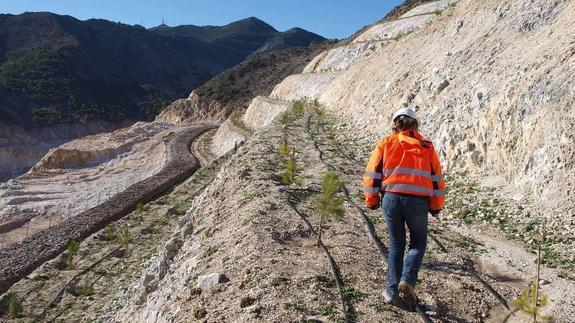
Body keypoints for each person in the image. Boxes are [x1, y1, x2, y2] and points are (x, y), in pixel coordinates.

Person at [362, 107, 445, 305]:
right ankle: (407, 280)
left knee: (396, 244)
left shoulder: (386, 143)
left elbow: (372, 173)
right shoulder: (426, 146)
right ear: (415, 125)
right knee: (418, 242)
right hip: (418, 202)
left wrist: (372, 200)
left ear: (395, 124)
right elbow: (437, 180)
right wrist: (436, 206)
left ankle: (391, 292)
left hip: (391, 199)